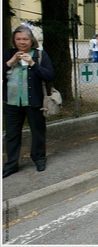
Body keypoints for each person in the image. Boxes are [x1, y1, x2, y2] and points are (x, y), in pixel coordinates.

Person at [3, 25, 55, 178]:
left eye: (25, 39)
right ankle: (11, 164)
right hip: (12, 102)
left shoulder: (39, 55)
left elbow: (50, 75)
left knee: (38, 132)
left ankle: (39, 159)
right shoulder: (8, 54)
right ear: (14, 40)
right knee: (11, 135)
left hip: (34, 102)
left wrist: (33, 63)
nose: (22, 42)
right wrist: (10, 62)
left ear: (31, 40)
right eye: (18, 39)